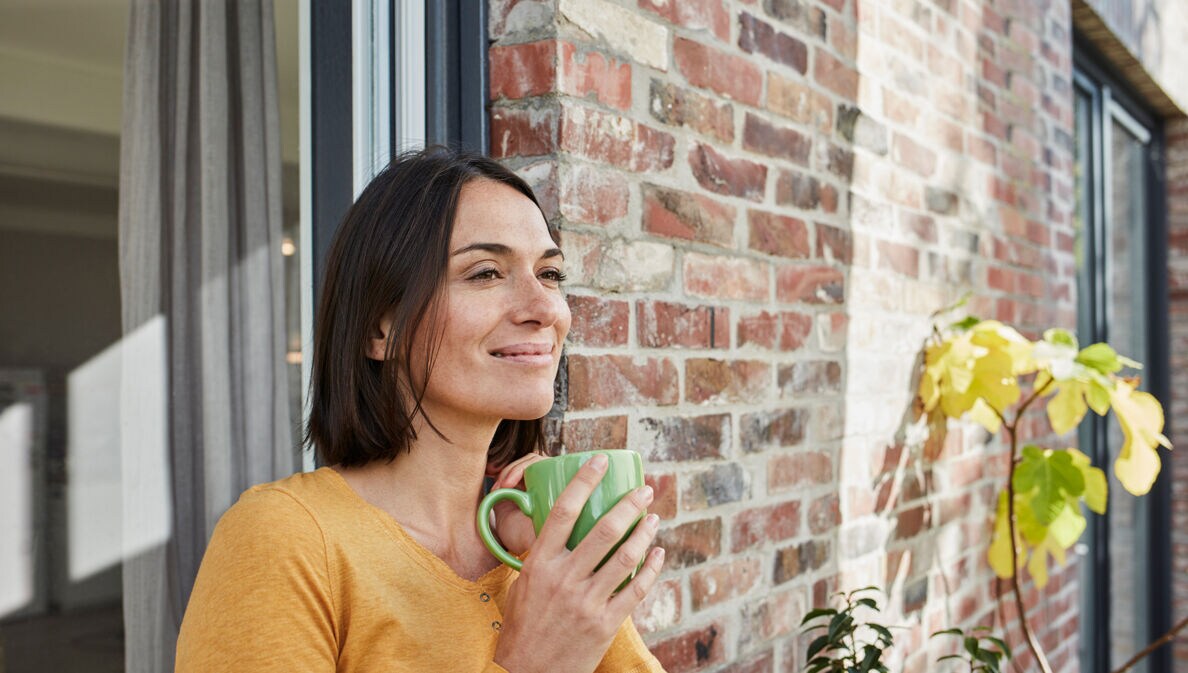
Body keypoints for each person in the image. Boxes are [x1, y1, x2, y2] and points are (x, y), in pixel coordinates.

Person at [174, 147, 667, 672]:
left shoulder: (532, 552)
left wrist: (550, 565)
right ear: (379, 330)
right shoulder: (286, 538)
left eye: (549, 274)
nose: (545, 309)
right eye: (484, 273)